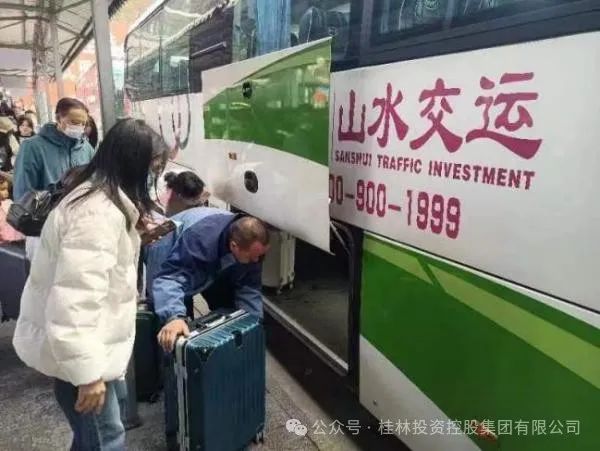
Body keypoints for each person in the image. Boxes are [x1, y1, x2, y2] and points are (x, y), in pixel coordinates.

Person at [12, 118, 169, 451]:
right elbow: (74, 302)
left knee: (92, 438)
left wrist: (135, 238)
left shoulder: (98, 195)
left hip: (89, 350)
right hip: (84, 357)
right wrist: (87, 375)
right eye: (153, 167)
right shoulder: (97, 216)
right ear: (133, 163)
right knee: (106, 439)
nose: (154, 175)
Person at [154, 212, 270, 352]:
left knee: (228, 305)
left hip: (212, 247)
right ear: (234, 246)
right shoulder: (200, 240)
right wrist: (174, 316)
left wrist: (254, 325)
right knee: (174, 323)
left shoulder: (249, 244)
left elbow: (249, 288)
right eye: (252, 257)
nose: (256, 260)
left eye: (260, 256)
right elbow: (169, 278)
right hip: (167, 243)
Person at [12, 97, 95, 261]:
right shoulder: (33, 147)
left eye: (83, 123)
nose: (79, 127)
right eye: (73, 122)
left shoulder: (86, 149)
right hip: (42, 232)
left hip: (78, 230)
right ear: (58, 118)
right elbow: (22, 193)